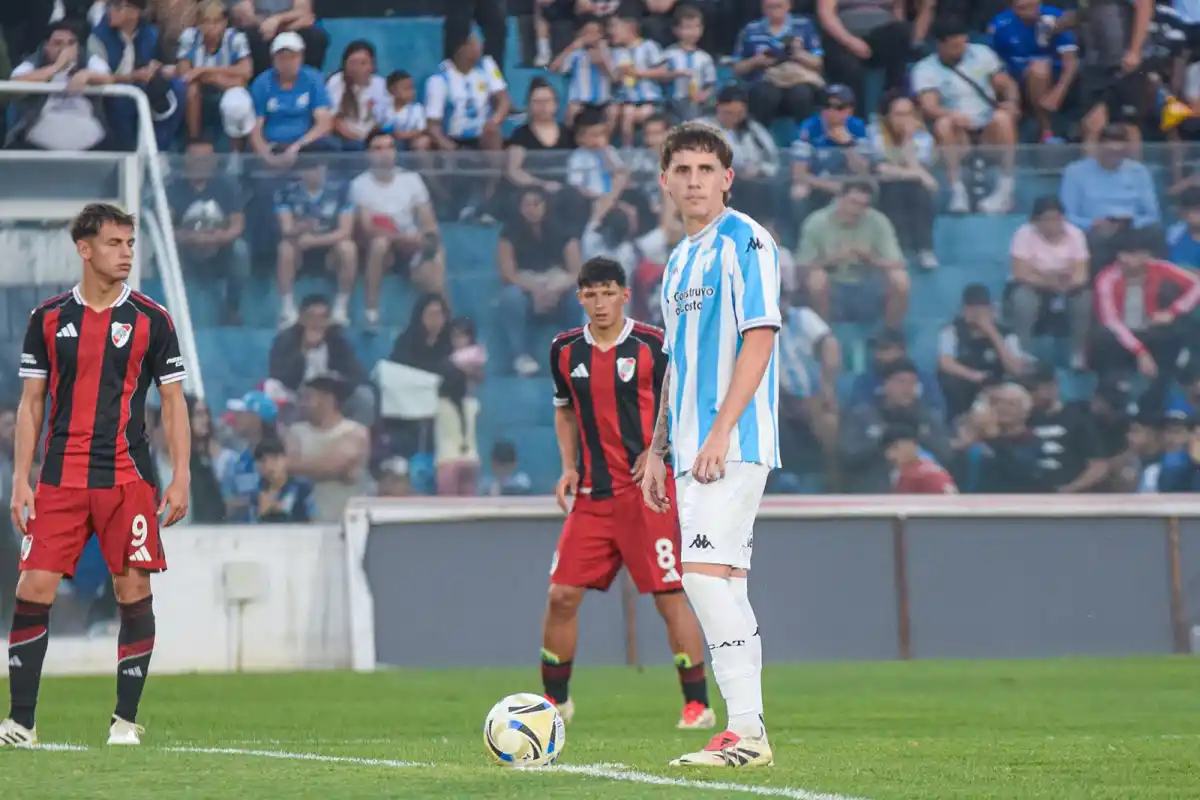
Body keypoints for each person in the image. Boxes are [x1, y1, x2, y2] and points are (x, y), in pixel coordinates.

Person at [2, 203, 191, 748]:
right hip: (60, 479)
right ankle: (21, 723)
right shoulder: (49, 318)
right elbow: (31, 403)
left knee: (133, 591)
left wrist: (180, 477)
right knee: (32, 587)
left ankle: (125, 722)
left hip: (127, 479)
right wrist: (21, 478)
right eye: (114, 243)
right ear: (84, 249)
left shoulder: (153, 320)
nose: (126, 253)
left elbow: (173, 403)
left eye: (130, 243)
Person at [642, 122, 781, 768]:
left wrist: (722, 430)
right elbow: (675, 364)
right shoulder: (678, 261)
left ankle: (747, 732)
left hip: (733, 441)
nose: (694, 180)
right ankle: (747, 731)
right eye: (683, 170)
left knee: (697, 577)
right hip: (693, 448)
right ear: (666, 181)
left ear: (728, 178)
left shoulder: (745, 241)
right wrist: (656, 446)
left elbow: (759, 336)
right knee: (726, 583)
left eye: (706, 169)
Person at [544, 256, 713, 732]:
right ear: (580, 297)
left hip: (647, 496)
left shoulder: (654, 345)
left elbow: (682, 407)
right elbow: (564, 411)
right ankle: (554, 702)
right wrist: (569, 467)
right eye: (590, 294)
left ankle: (697, 704)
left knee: (669, 595)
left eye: (608, 292)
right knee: (561, 595)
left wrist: (658, 452)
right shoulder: (563, 350)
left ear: (624, 295)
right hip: (593, 498)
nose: (600, 302)